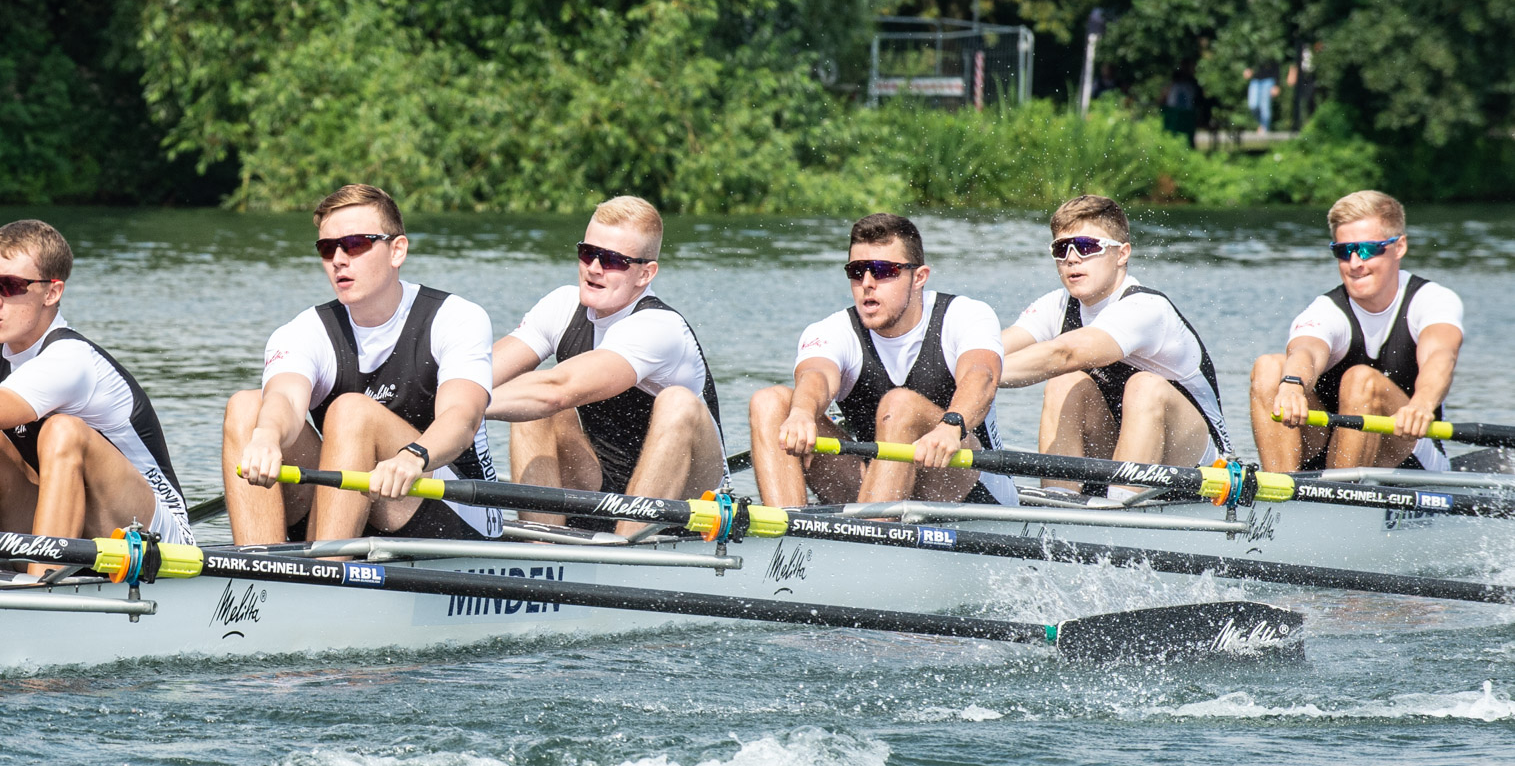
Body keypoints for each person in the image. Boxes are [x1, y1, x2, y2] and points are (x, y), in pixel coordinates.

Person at [0, 220, 192, 548]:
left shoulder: (69, 360)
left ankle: (37, 588)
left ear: (52, 292)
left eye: (10, 286)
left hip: (155, 536)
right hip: (70, 526)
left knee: (62, 431)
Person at [224, 183, 500, 543]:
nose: (339, 259)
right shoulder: (304, 330)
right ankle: (259, 576)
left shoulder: (456, 318)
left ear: (397, 250)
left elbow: (462, 418)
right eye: (327, 248)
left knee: (352, 412)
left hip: (450, 505)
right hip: (353, 500)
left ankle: (328, 572)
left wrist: (412, 457)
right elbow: (286, 400)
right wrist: (266, 437)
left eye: (355, 245)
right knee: (247, 408)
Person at [488, 196, 723, 533]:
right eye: (588, 253)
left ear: (645, 273)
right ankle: (539, 549)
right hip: (601, 484)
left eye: (613, 260)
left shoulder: (659, 327)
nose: (594, 268)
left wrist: (468, 405)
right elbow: (476, 374)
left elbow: (558, 389)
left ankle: (625, 553)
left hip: (688, 499)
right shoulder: (562, 305)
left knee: (676, 403)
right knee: (530, 399)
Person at [749, 214, 1013, 507]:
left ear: (919, 277)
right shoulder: (832, 330)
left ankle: (874, 536)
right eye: (857, 271)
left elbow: (982, 375)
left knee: (899, 404)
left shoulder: (965, 315)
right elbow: (816, 376)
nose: (867, 283)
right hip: (872, 485)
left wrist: (951, 427)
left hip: (967, 490)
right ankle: (787, 534)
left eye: (883, 271)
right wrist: (801, 413)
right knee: (770, 402)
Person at [1001, 196, 1229, 494]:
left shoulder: (1146, 308)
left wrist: (982, 376)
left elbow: (1065, 353)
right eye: (1061, 248)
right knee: (1065, 383)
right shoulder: (1055, 306)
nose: (1071, 258)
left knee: (1144, 386)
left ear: (1122, 254)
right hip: (1124, 453)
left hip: (1196, 466)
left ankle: (1117, 510)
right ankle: (1058, 504)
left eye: (1086, 246)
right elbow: (988, 350)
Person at [1250, 190, 1462, 472]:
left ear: (1399, 247)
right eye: (1344, 251)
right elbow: (1306, 351)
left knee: (1361, 380)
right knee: (1269, 368)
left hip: (1410, 454)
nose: (1355, 263)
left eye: (1368, 249)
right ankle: (1279, 496)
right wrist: (1292, 384)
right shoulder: (1325, 309)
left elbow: (1440, 356)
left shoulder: (1433, 300)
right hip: (1332, 449)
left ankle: (1342, 503)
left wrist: (1422, 404)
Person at [1244, 66, 1279, 134]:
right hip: (1255, 80)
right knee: (1253, 105)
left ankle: (1264, 128)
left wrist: (1277, 84)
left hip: (1268, 80)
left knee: (1265, 106)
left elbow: (1276, 65)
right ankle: (1262, 124)